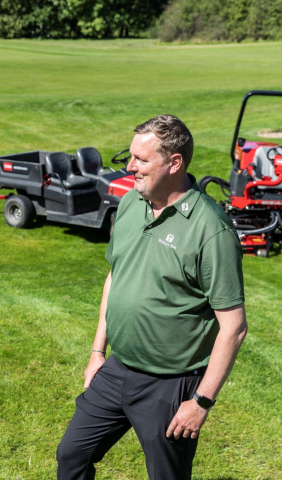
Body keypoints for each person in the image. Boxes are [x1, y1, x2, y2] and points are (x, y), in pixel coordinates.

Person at [57, 115, 247, 480]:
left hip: (171, 384)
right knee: (71, 456)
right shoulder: (130, 204)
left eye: (141, 160)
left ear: (174, 163)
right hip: (117, 369)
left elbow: (234, 327)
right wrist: (98, 352)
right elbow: (116, 274)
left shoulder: (211, 229)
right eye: (130, 157)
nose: (130, 167)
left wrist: (201, 402)